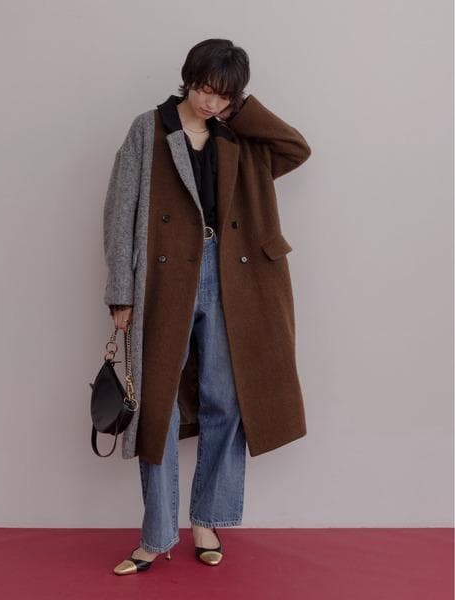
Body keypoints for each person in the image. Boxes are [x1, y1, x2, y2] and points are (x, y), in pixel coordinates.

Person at [104, 38, 311, 575]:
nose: (210, 103)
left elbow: (295, 148)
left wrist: (239, 111)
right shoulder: (148, 130)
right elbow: (120, 212)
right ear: (188, 79)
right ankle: (155, 535)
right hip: (164, 278)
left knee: (226, 398)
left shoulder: (238, 135)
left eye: (223, 95)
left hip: (231, 277)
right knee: (159, 407)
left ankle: (208, 519)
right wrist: (120, 292)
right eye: (204, 89)